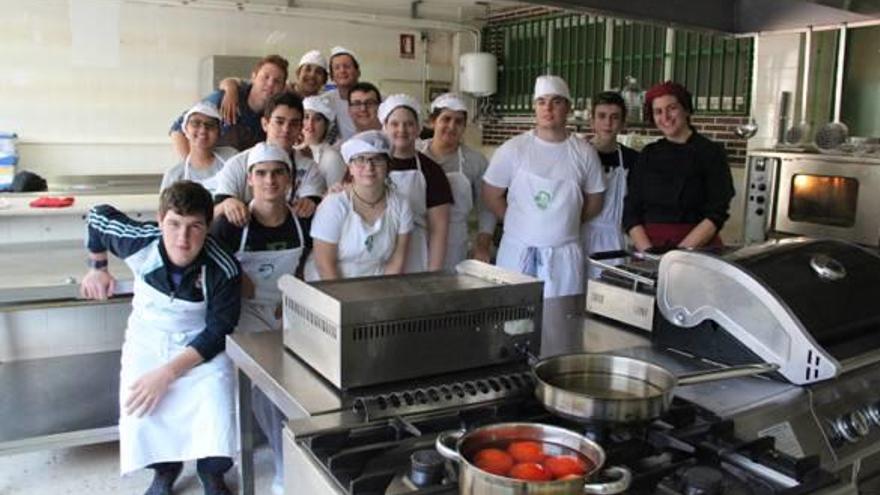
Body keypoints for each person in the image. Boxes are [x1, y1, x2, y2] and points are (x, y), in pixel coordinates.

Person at [80, 181, 241, 495]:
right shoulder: (140, 241)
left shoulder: (224, 267)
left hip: (199, 347)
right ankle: (164, 471)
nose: (183, 239)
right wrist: (97, 267)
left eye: (195, 227)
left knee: (217, 406)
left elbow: (218, 332)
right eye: (174, 225)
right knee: (141, 411)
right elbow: (97, 217)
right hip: (147, 340)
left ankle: (212, 473)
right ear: (160, 219)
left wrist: (168, 372)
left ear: (208, 227)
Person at [209, 143, 309, 495]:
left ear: (290, 179)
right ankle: (284, 468)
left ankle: (302, 457)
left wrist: (293, 300)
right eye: (261, 174)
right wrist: (238, 279)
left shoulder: (302, 220)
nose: (270, 181)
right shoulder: (231, 224)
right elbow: (212, 270)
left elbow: (306, 268)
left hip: (287, 312)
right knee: (267, 388)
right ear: (249, 180)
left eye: (278, 173)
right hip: (244, 316)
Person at [483, 75, 605, 298]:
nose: (548, 108)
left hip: (564, 259)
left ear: (568, 107)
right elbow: (491, 195)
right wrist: (522, 221)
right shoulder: (513, 149)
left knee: (560, 324)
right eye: (541, 102)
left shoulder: (584, 153)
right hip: (517, 254)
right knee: (514, 321)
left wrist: (564, 221)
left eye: (556, 101)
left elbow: (595, 201)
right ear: (534, 107)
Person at [623, 81, 735, 252]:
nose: (665, 117)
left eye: (672, 108)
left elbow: (716, 213)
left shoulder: (711, 152)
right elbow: (631, 211)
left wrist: (678, 255)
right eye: (658, 112)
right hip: (649, 249)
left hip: (696, 248)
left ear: (686, 109)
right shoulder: (648, 154)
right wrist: (648, 252)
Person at [305, 130, 412, 280]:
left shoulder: (401, 205)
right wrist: (347, 302)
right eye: (360, 159)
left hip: (377, 288)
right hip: (329, 289)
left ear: (388, 166)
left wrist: (380, 298)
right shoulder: (335, 205)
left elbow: (397, 261)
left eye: (377, 159)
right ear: (350, 167)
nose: (369, 167)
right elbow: (324, 265)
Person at [213, 92, 325, 227]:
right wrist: (226, 204)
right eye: (279, 122)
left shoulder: (309, 169)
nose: (286, 129)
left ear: (301, 128)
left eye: (294, 124)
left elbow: (316, 212)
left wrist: (310, 205)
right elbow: (214, 215)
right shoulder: (236, 164)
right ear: (265, 124)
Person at [418, 93, 496, 267]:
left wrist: (482, 246)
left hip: (454, 242)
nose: (452, 126)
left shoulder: (475, 161)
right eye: (446, 119)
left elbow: (486, 209)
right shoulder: (415, 152)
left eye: (458, 121)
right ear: (432, 122)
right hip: (416, 237)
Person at [379, 94, 453, 272]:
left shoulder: (432, 171)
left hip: (415, 253)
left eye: (409, 124)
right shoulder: (370, 165)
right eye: (395, 124)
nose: (402, 130)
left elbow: (439, 230)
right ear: (384, 127)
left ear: (418, 128)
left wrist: (433, 274)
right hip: (376, 251)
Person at [169, 55, 288, 159]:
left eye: (277, 81)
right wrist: (193, 168)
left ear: (283, 88)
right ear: (253, 77)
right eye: (265, 77)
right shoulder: (224, 98)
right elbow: (177, 129)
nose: (270, 84)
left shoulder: (276, 115)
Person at [582, 91, 640, 275]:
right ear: (592, 121)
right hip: (579, 237)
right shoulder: (578, 154)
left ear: (623, 123)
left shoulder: (633, 160)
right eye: (602, 116)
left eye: (615, 117)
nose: (608, 123)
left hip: (615, 241)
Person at [217, 50, 328, 124]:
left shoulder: (325, 105)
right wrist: (231, 89)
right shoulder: (281, 91)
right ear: (298, 73)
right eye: (307, 69)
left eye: (318, 72)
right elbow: (236, 82)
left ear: (324, 79)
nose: (312, 75)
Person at [160, 102, 237, 194]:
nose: (203, 130)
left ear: (219, 133)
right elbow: (165, 207)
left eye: (210, 125)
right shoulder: (174, 175)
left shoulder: (232, 158)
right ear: (186, 130)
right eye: (195, 123)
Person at [301, 94, 346, 187]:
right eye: (306, 117)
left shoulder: (331, 157)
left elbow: (335, 196)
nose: (310, 123)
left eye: (317, 119)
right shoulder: (292, 149)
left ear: (326, 125)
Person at [325, 46, 361, 143]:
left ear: (358, 72)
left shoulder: (375, 98)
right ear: (332, 76)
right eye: (337, 68)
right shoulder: (325, 101)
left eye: (347, 66)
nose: (342, 71)